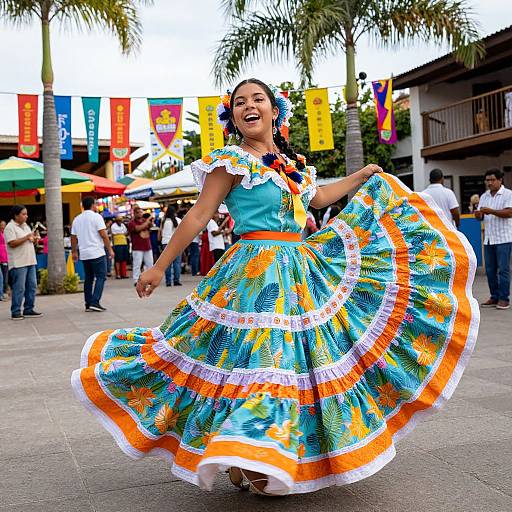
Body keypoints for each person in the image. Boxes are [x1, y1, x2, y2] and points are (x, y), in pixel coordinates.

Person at [72, 79, 478, 496]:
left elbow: (317, 199)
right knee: (253, 363)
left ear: (273, 110)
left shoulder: (293, 164)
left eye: (257, 99)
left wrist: (361, 175)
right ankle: (244, 450)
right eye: (239, 102)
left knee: (298, 362)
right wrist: (158, 267)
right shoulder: (231, 162)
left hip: (300, 272)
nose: (249, 106)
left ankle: (254, 451)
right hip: (251, 276)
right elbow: (197, 217)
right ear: (232, 117)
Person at [475, 168, 512, 310]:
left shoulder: (508, 194)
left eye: (492, 180)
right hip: (489, 238)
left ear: (500, 180)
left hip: (504, 238)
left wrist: (491, 211)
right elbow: (481, 217)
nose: (489, 183)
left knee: (503, 270)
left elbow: (509, 212)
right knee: (490, 270)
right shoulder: (484, 196)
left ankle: (504, 298)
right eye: (487, 180)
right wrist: (478, 214)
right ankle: (494, 296)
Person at [71, 196, 115, 312]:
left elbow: (73, 237)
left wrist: (74, 251)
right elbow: (103, 235)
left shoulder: (77, 219)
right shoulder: (97, 217)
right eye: (95, 204)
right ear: (92, 205)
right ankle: (95, 301)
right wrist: (110, 249)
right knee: (101, 276)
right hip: (97, 252)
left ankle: (88, 303)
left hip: (84, 253)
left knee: (89, 278)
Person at [4, 205, 42, 320]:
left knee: (32, 285)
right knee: (19, 288)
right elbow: (12, 243)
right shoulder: (9, 227)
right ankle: (15, 311)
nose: (26, 216)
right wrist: (27, 237)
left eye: (26, 214)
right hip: (18, 262)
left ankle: (28, 309)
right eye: (23, 214)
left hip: (30, 260)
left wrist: (34, 239)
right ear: (16, 215)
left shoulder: (25, 226)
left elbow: (28, 240)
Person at [128, 207, 154, 285]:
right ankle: (136, 280)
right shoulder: (131, 223)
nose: (140, 214)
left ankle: (149, 279)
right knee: (137, 264)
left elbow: (151, 226)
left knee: (150, 264)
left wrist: (149, 221)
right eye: (138, 212)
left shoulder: (144, 220)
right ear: (135, 213)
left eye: (141, 212)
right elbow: (138, 228)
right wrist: (147, 222)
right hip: (137, 247)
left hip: (147, 245)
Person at [158, 206, 182, 286]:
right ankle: (176, 280)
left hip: (165, 243)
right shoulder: (178, 220)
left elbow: (160, 232)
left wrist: (159, 241)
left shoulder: (163, 221)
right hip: (177, 243)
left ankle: (168, 281)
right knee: (177, 262)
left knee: (167, 263)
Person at [0, 220, 8, 301]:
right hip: (1, 255)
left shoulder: (6, 233)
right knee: (2, 276)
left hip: (5, 256)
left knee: (5, 275)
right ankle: (2, 293)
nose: (3, 226)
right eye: (2, 224)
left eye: (4, 224)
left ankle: (4, 291)